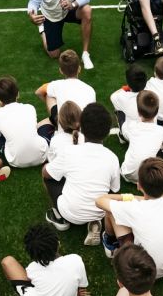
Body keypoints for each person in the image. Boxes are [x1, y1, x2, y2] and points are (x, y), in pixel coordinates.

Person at [43, 103, 121, 246]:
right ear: (108, 131)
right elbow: (114, 190)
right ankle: (94, 221)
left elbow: (46, 174)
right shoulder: (112, 158)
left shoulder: (69, 152)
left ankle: (59, 217)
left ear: (81, 127)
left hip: (70, 213)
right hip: (100, 211)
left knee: (49, 173)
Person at [96, 157, 163, 275]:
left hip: (140, 272)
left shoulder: (134, 208)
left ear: (139, 185)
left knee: (111, 212)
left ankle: (110, 245)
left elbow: (100, 200)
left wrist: (128, 197)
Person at [0, 223, 90, 296]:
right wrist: (76, 292)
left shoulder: (32, 269)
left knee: (7, 261)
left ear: (32, 254)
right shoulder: (75, 260)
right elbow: (82, 285)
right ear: (58, 244)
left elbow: (30, 279)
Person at [0, 76, 47, 168]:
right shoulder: (29, 107)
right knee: (46, 122)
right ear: (18, 93)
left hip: (15, 162)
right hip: (42, 156)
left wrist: (0, 107)